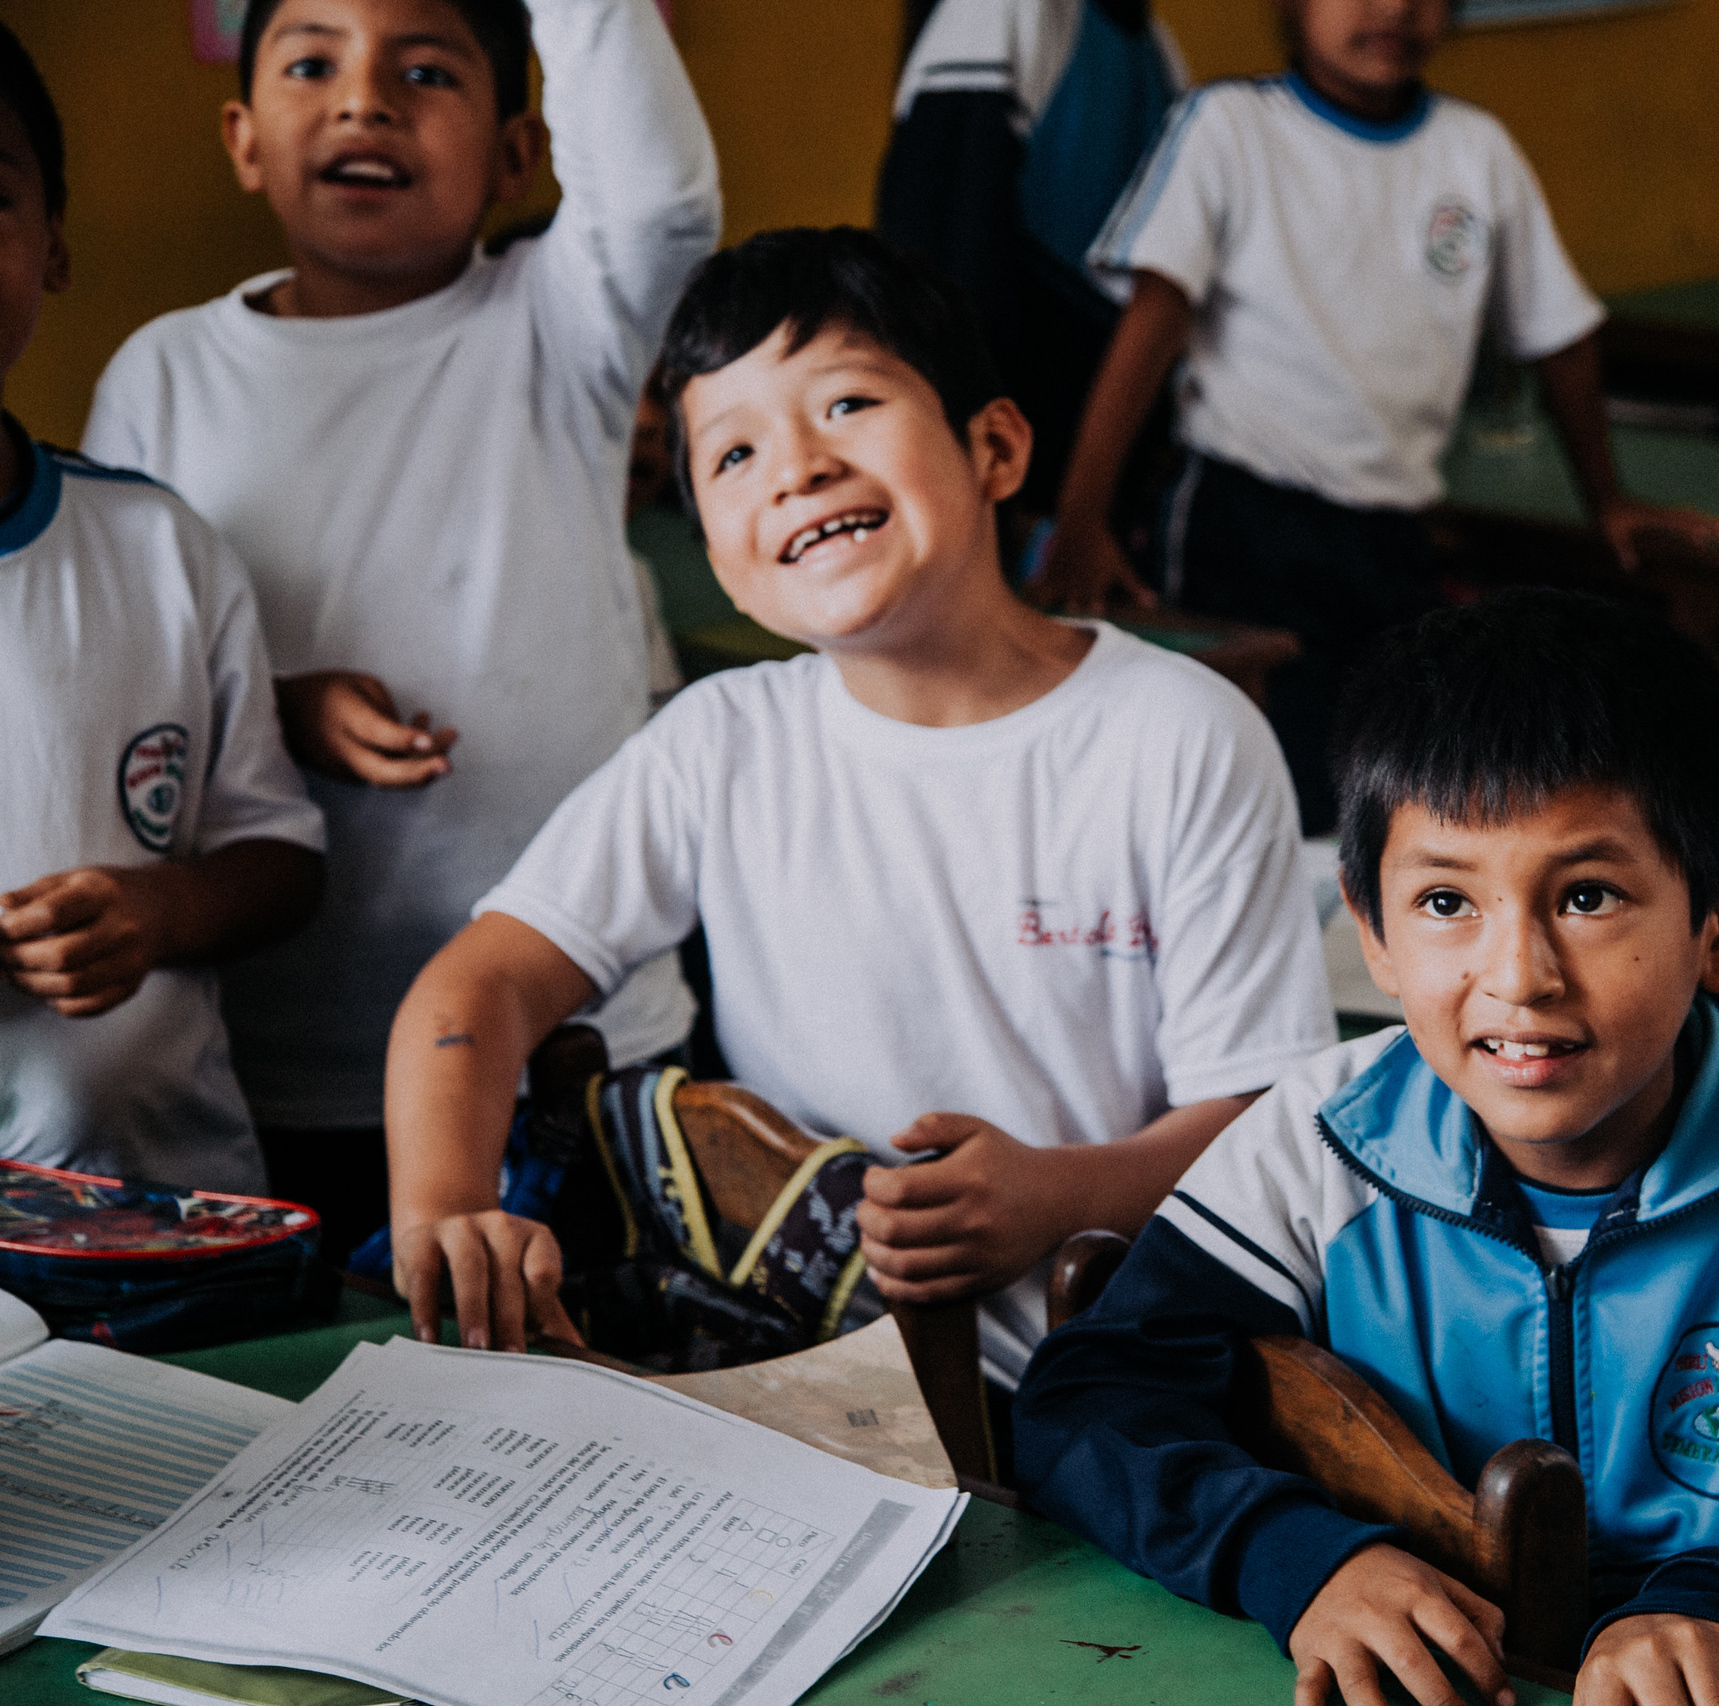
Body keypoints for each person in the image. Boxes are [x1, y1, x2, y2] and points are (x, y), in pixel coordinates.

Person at [1013, 590, 1719, 1706]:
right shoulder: (1319, 1140)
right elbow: (1084, 1404)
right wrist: (1301, 1556)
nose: (1519, 975)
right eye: (1447, 899)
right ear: (1374, 933)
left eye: (1589, 894)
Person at [383, 229, 1332, 1389]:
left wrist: (1053, 1194)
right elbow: (478, 984)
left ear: (994, 446)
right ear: (719, 554)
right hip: (813, 1369)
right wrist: (445, 1204)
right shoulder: (719, 743)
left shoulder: (1178, 733)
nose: (796, 467)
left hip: (1113, 1375)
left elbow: (1264, 1121)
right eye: (731, 455)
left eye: (845, 404)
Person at [81, 0, 720, 1259]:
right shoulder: (164, 375)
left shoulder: (560, 324)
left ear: (518, 157)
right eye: (312, 62)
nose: (365, 99)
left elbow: (660, 209)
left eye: (426, 71)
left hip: (575, 1047)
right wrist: (281, 707)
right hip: (274, 1062)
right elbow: (125, 680)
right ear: (244, 135)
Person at [1034, 0, 1719, 833]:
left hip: (1394, 534)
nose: (1392, 8)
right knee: (1263, 794)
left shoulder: (1476, 152)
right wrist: (1082, 516)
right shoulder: (1231, 127)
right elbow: (1150, 323)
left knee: (1393, 795)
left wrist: (1608, 498)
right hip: (1242, 521)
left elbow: (1561, 341)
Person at [0, 23, 324, 1195]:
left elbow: (279, 852)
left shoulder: (159, 548)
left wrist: (163, 906)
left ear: (53, 248)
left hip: (174, 1225)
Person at [876, 0, 1187, 512]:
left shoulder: (1154, 46)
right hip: (997, 472)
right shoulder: (998, 13)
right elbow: (939, 265)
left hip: (1077, 479)